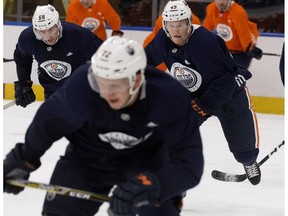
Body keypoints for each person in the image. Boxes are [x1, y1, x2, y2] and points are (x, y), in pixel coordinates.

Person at [4, 36, 204, 216]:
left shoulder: (169, 97)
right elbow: (47, 124)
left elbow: (189, 164)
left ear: (136, 79)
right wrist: (25, 158)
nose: (106, 93)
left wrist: (154, 185)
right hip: (86, 158)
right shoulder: (82, 87)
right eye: (100, 83)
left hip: (146, 160)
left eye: (115, 85)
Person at [145, 0, 261, 185]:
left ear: (189, 22)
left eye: (180, 24)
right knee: (173, 135)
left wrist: (200, 107)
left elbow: (223, 84)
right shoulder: (162, 39)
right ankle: (175, 179)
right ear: (165, 25)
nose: (176, 30)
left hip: (229, 94)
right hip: (195, 93)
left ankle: (249, 162)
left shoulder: (206, 43)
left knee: (244, 150)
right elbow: (146, 59)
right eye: (171, 25)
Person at [13, 4, 103, 108]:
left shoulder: (77, 35)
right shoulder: (28, 39)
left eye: (51, 29)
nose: (47, 36)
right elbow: (22, 58)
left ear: (57, 24)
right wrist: (24, 84)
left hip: (81, 88)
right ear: (36, 30)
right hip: (52, 91)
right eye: (42, 31)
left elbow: (102, 56)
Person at [203, 0, 263, 69]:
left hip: (243, 48)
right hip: (226, 50)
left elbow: (244, 35)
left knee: (237, 76)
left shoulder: (238, 12)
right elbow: (206, 29)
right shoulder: (211, 8)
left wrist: (250, 49)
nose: (220, 3)